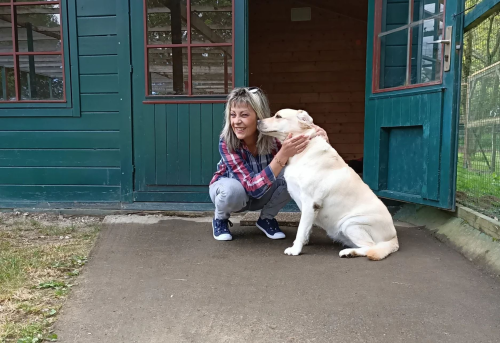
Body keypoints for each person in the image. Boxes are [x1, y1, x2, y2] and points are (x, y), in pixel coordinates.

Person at [209, 87, 329, 241]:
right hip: (233, 193)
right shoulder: (226, 141)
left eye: (244, 115)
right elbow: (252, 188)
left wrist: (320, 140)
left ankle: (266, 218)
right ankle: (220, 219)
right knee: (232, 190)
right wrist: (283, 155)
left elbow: (309, 165)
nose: (236, 121)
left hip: (262, 191)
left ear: (259, 116)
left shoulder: (275, 137)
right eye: (233, 115)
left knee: (293, 176)